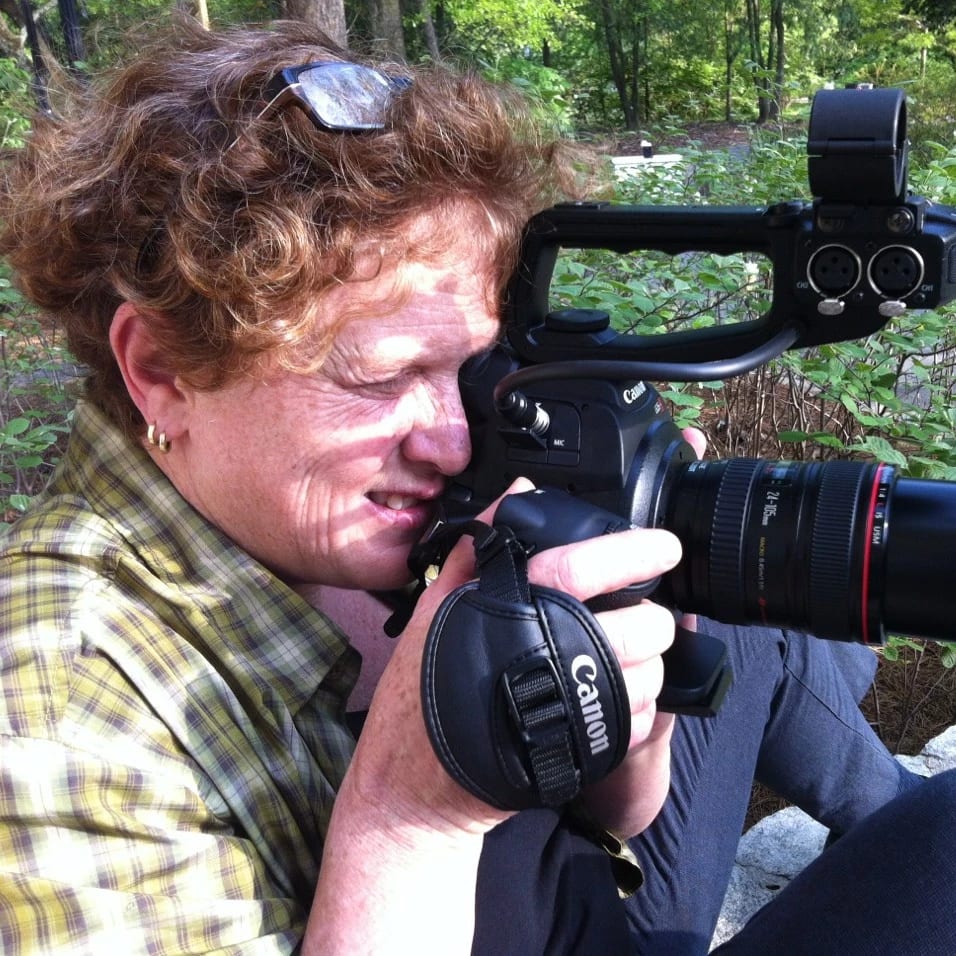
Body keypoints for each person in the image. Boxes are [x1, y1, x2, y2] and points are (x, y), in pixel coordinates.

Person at [0, 16, 953, 955]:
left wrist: (630, 705)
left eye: (471, 367)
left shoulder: (300, 506)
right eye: (378, 378)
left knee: (699, 561)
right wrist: (409, 815)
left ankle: (876, 793)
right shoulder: (54, 703)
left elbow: (621, 813)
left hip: (584, 907)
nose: (455, 440)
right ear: (161, 366)